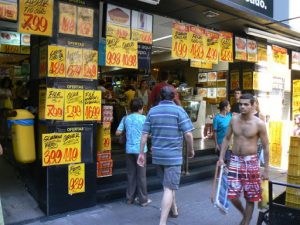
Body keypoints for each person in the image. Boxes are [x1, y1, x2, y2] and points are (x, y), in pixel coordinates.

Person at [137, 86, 194, 225]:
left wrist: (141, 153)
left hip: (158, 155)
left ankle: (174, 210)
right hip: (173, 156)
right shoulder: (179, 111)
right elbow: (188, 134)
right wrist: (191, 150)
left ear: (161, 97)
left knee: (167, 185)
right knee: (169, 188)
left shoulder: (152, 111)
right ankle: (162, 222)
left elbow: (144, 134)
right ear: (174, 96)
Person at [218, 93, 269, 225]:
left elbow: (266, 146)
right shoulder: (234, 120)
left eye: (246, 104)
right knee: (232, 195)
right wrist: (221, 157)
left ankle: (246, 221)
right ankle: (244, 214)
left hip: (251, 161)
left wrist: (266, 169)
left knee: (251, 196)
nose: (242, 107)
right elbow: (226, 138)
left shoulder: (259, 124)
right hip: (235, 160)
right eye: (240, 104)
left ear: (253, 106)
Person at [116, 98, 151, 207]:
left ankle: (129, 198)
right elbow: (149, 133)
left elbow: (117, 133)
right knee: (141, 176)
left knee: (131, 174)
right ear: (141, 108)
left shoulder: (125, 118)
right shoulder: (144, 118)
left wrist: (128, 132)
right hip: (141, 151)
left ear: (131, 108)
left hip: (129, 150)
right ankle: (143, 200)